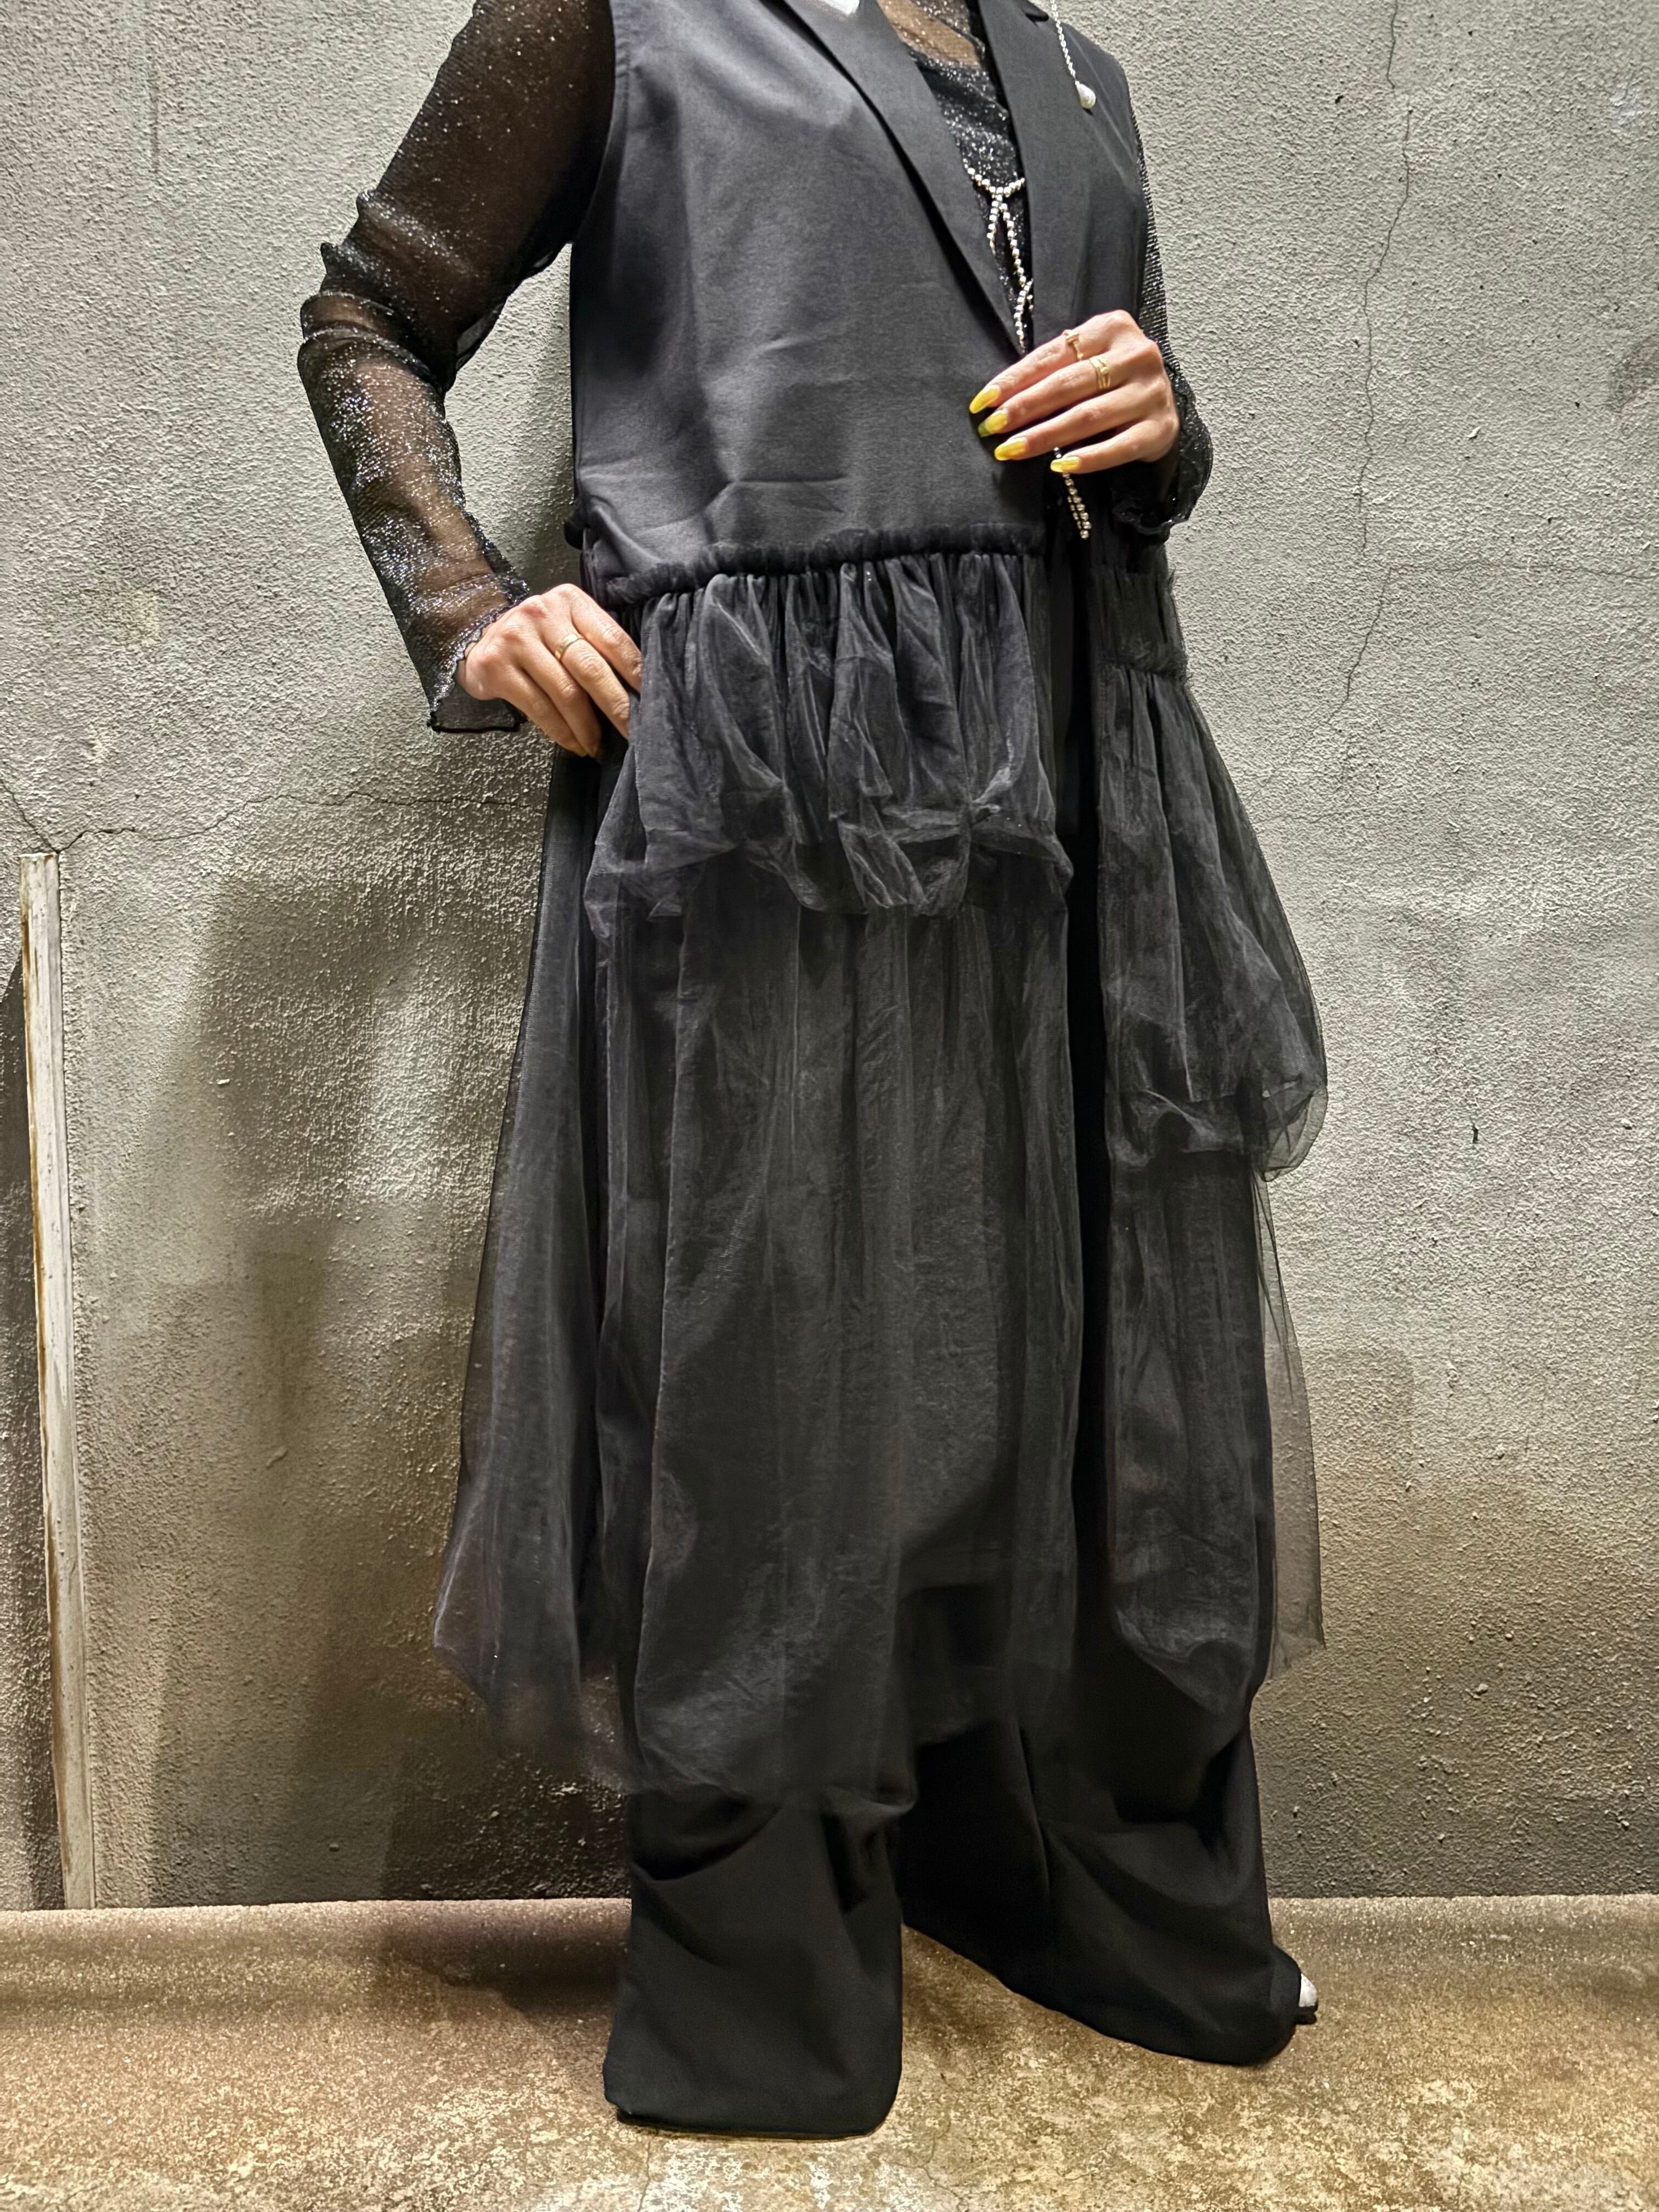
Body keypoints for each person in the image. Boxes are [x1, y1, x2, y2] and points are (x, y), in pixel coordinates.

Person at [298, 0, 1329, 2137]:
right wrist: (467, 605)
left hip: (1074, 779)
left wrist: (1168, 432)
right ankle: (770, 1949)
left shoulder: (1076, 72)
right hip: (771, 802)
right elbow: (370, 314)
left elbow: (1124, 469)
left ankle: (1039, 1862)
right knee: (772, 1370)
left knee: (1060, 1358)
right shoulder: (625, 18)